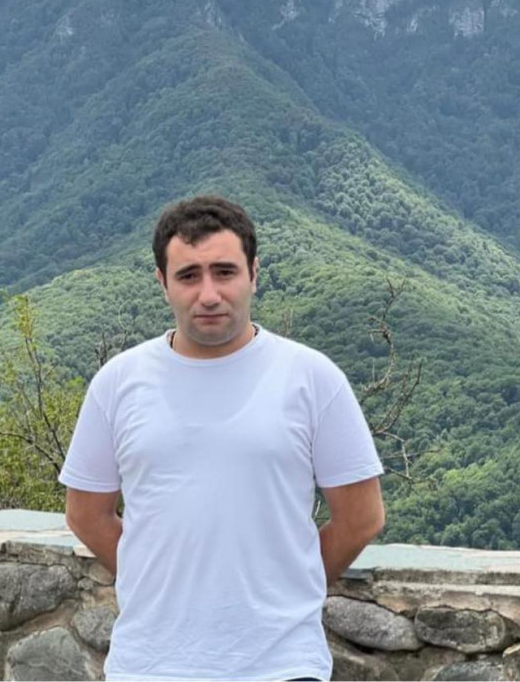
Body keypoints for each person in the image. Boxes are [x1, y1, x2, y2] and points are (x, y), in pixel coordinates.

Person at [59, 195, 385, 681]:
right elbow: (86, 514)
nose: (208, 294)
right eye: (189, 276)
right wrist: (157, 580)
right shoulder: (118, 383)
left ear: (254, 273)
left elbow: (361, 517)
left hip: (281, 665)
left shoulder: (312, 378)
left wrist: (285, 587)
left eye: (224, 272)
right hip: (150, 665)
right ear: (163, 283)